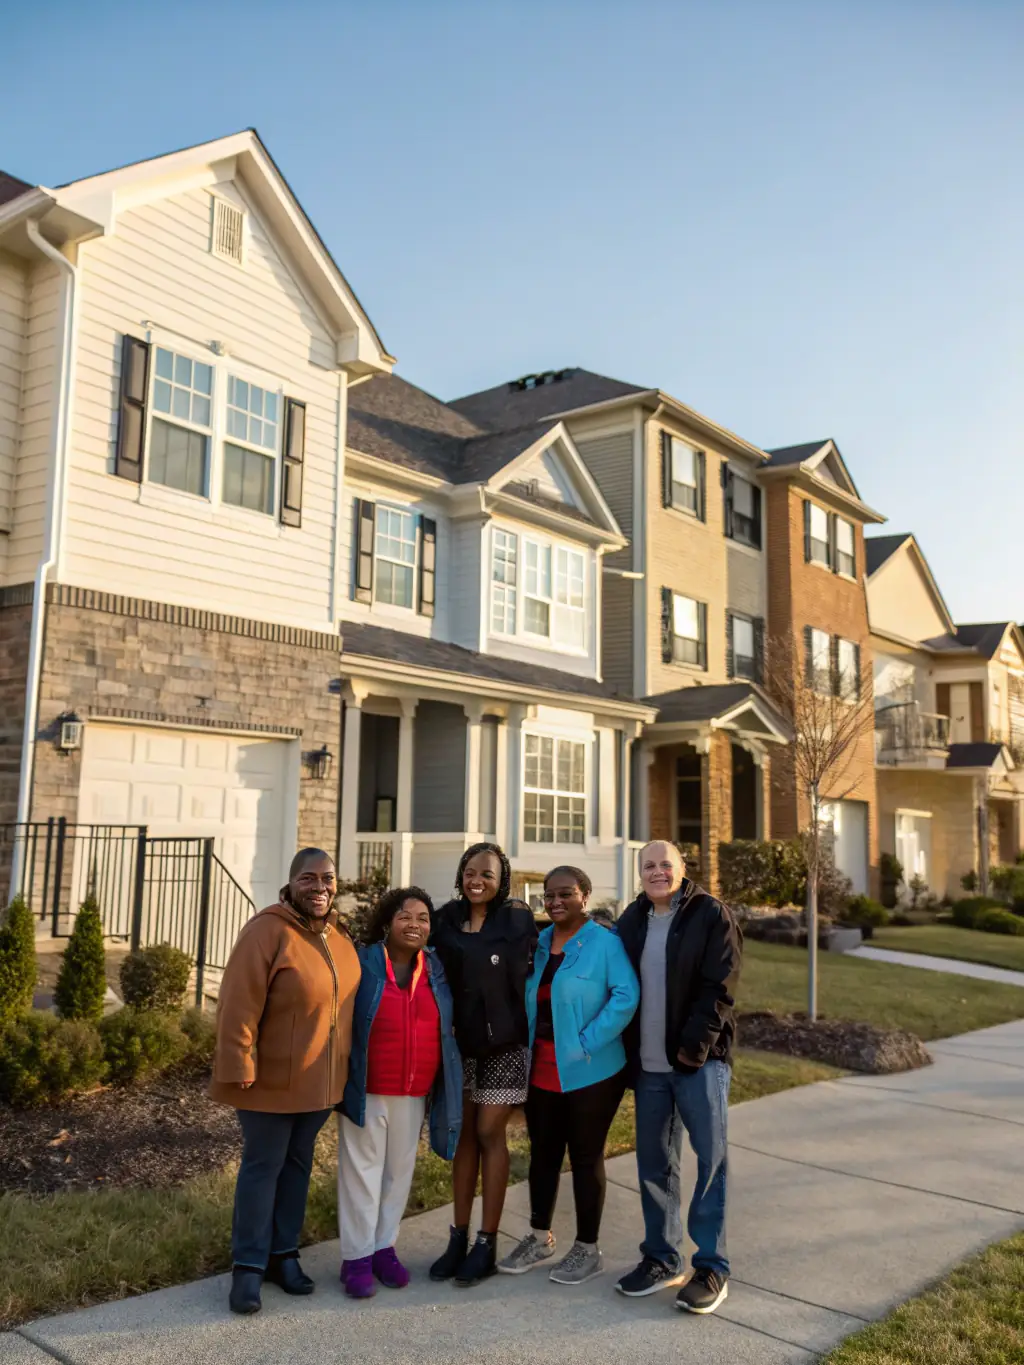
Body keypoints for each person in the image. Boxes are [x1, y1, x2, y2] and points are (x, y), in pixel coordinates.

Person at [210, 848, 360, 1316]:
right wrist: (239, 1067)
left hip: (319, 1083)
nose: (320, 887)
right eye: (309, 879)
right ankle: (248, 1267)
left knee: (296, 1168)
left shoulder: (338, 936)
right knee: (262, 1169)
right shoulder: (266, 930)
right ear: (291, 882)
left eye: (328, 878)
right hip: (268, 1082)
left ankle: (283, 1255)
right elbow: (237, 1004)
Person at [614, 840, 741, 1316]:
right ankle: (661, 1258)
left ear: (682, 869)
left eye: (665, 864)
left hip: (698, 1064)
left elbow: (720, 987)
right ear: (640, 874)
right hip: (649, 1069)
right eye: (648, 866)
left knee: (710, 1164)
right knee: (654, 1166)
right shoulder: (631, 920)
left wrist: (693, 1051)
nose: (656, 872)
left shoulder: (710, 914)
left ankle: (711, 1265)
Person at [500, 866, 639, 1285]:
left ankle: (587, 1248)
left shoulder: (604, 943)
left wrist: (585, 1041)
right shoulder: (540, 944)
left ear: (585, 895)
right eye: (549, 895)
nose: (556, 901)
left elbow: (626, 994)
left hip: (591, 1069)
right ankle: (540, 1236)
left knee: (584, 1155)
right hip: (541, 1067)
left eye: (566, 893)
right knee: (542, 1153)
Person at [337, 886, 462, 1299]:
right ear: (387, 922)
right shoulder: (364, 962)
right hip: (367, 1089)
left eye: (423, 918)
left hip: (415, 1092)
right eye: (405, 916)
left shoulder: (437, 968)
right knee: (362, 1174)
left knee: (397, 1174)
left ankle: (382, 1249)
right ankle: (355, 1258)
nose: (415, 924)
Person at [428, 842, 539, 1287]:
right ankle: (458, 1237)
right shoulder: (445, 919)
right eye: (470, 871)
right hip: (459, 1048)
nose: (477, 880)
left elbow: (520, 973)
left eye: (487, 875)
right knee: (464, 1137)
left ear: (501, 880)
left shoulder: (515, 918)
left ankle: (486, 1242)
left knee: (490, 1132)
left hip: (504, 1046)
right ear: (461, 874)